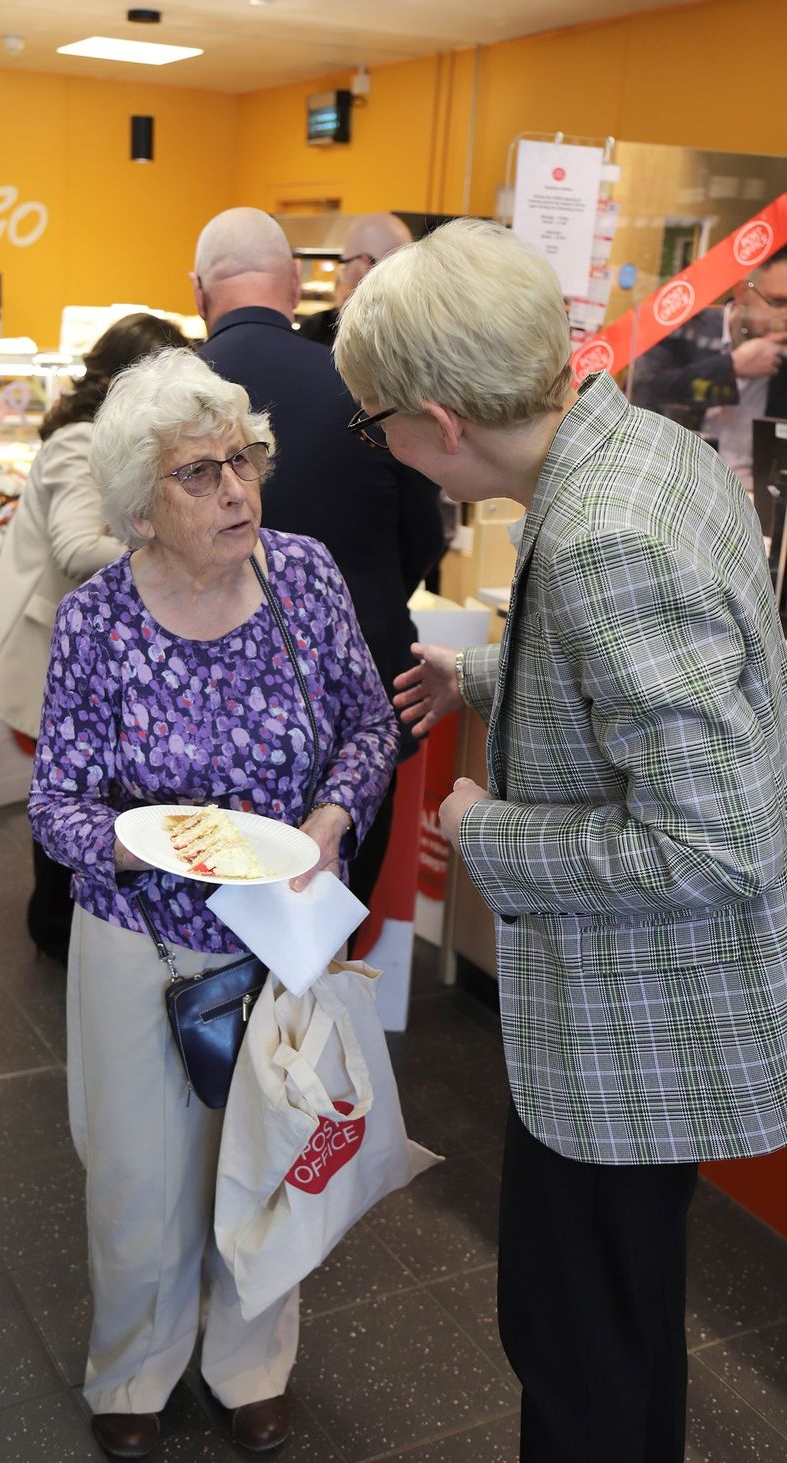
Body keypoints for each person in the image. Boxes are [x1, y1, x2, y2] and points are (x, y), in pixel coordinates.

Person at [333, 217, 787, 1463]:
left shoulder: (600, 534)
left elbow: (710, 844)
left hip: (625, 1034)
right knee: (616, 1325)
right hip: (633, 1021)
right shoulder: (630, 451)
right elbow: (662, 681)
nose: (382, 450)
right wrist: (481, 674)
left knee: (575, 1347)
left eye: (374, 423)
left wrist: (487, 828)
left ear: (438, 418)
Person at [28, 346, 398, 1459]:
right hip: (139, 938)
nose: (236, 488)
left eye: (243, 460)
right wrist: (155, 846)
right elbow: (56, 803)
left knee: (277, 1154)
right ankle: (135, 1369)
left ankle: (251, 1360)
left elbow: (369, 726)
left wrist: (330, 819)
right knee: (139, 1182)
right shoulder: (100, 620)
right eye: (199, 472)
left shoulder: (304, 577)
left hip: (277, 939)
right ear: (142, 505)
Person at [193, 206, 444, 910]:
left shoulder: (166, 395)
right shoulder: (368, 384)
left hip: (201, 695)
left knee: (208, 915)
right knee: (333, 918)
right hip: (359, 692)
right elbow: (424, 537)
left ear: (197, 290)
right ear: (298, 282)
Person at [0, 312, 186, 965]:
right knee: (64, 794)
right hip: (53, 648)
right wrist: (169, 545)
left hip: (82, 650)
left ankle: (64, 922)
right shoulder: (79, 441)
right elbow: (74, 548)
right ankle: (56, 928)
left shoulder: (112, 441)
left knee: (73, 785)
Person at [631, 245, 787, 495]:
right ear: (741, 292)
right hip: (675, 484)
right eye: (778, 302)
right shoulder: (688, 330)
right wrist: (731, 367)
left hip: (752, 497)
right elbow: (642, 390)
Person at [299, 210, 413, 347]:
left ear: (365, 264)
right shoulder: (417, 332)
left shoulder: (315, 331)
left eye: (345, 262)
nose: (342, 273)